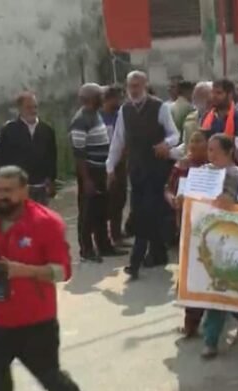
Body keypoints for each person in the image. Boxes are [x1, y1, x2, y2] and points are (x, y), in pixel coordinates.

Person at [0, 166, 93, 391]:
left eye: (8, 191)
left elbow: (63, 270)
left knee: (51, 379)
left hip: (36, 322)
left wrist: (24, 271)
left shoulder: (46, 223)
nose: (0, 196)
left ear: (24, 191)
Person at [106, 71, 180, 280]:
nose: (134, 90)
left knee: (144, 214)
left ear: (145, 85)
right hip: (136, 170)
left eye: (138, 85)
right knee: (146, 212)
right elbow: (118, 141)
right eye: (131, 86)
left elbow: (174, 134)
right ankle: (159, 254)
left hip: (156, 169)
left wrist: (166, 144)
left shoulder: (160, 107)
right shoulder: (125, 110)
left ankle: (135, 261)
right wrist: (110, 167)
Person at [198, 134, 238, 359]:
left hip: (235, 239)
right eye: (208, 150)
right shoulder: (203, 174)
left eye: (214, 150)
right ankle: (211, 338)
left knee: (231, 288)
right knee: (215, 290)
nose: (210, 155)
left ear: (229, 152)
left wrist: (230, 201)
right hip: (208, 240)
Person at [70, 83, 125, 263]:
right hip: (90, 172)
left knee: (102, 210)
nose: (104, 97)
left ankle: (104, 245)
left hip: (101, 170)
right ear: (91, 98)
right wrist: (86, 180)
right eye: (100, 95)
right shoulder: (81, 119)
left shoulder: (95, 115)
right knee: (88, 211)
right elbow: (79, 153)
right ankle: (86, 249)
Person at [165, 131, 209, 338]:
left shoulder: (213, 168)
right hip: (185, 223)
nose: (194, 145)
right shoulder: (181, 165)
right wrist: (172, 199)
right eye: (191, 141)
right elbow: (167, 189)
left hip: (209, 224)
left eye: (199, 141)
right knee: (189, 271)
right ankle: (190, 323)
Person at [0, 91, 57, 205]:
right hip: (18, 187)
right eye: (29, 107)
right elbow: (1, 159)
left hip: (41, 186)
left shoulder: (46, 130)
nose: (33, 111)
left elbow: (52, 156)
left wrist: (51, 179)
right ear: (20, 108)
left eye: (35, 107)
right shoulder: (8, 131)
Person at [101, 85, 128, 246]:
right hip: (104, 164)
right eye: (118, 98)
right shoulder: (100, 118)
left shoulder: (120, 116)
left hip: (121, 163)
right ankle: (109, 236)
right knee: (108, 201)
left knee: (120, 199)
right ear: (109, 99)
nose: (120, 101)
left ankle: (117, 233)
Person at [201, 79, 238, 145]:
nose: (214, 96)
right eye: (212, 92)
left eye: (219, 93)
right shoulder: (205, 117)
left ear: (230, 95)